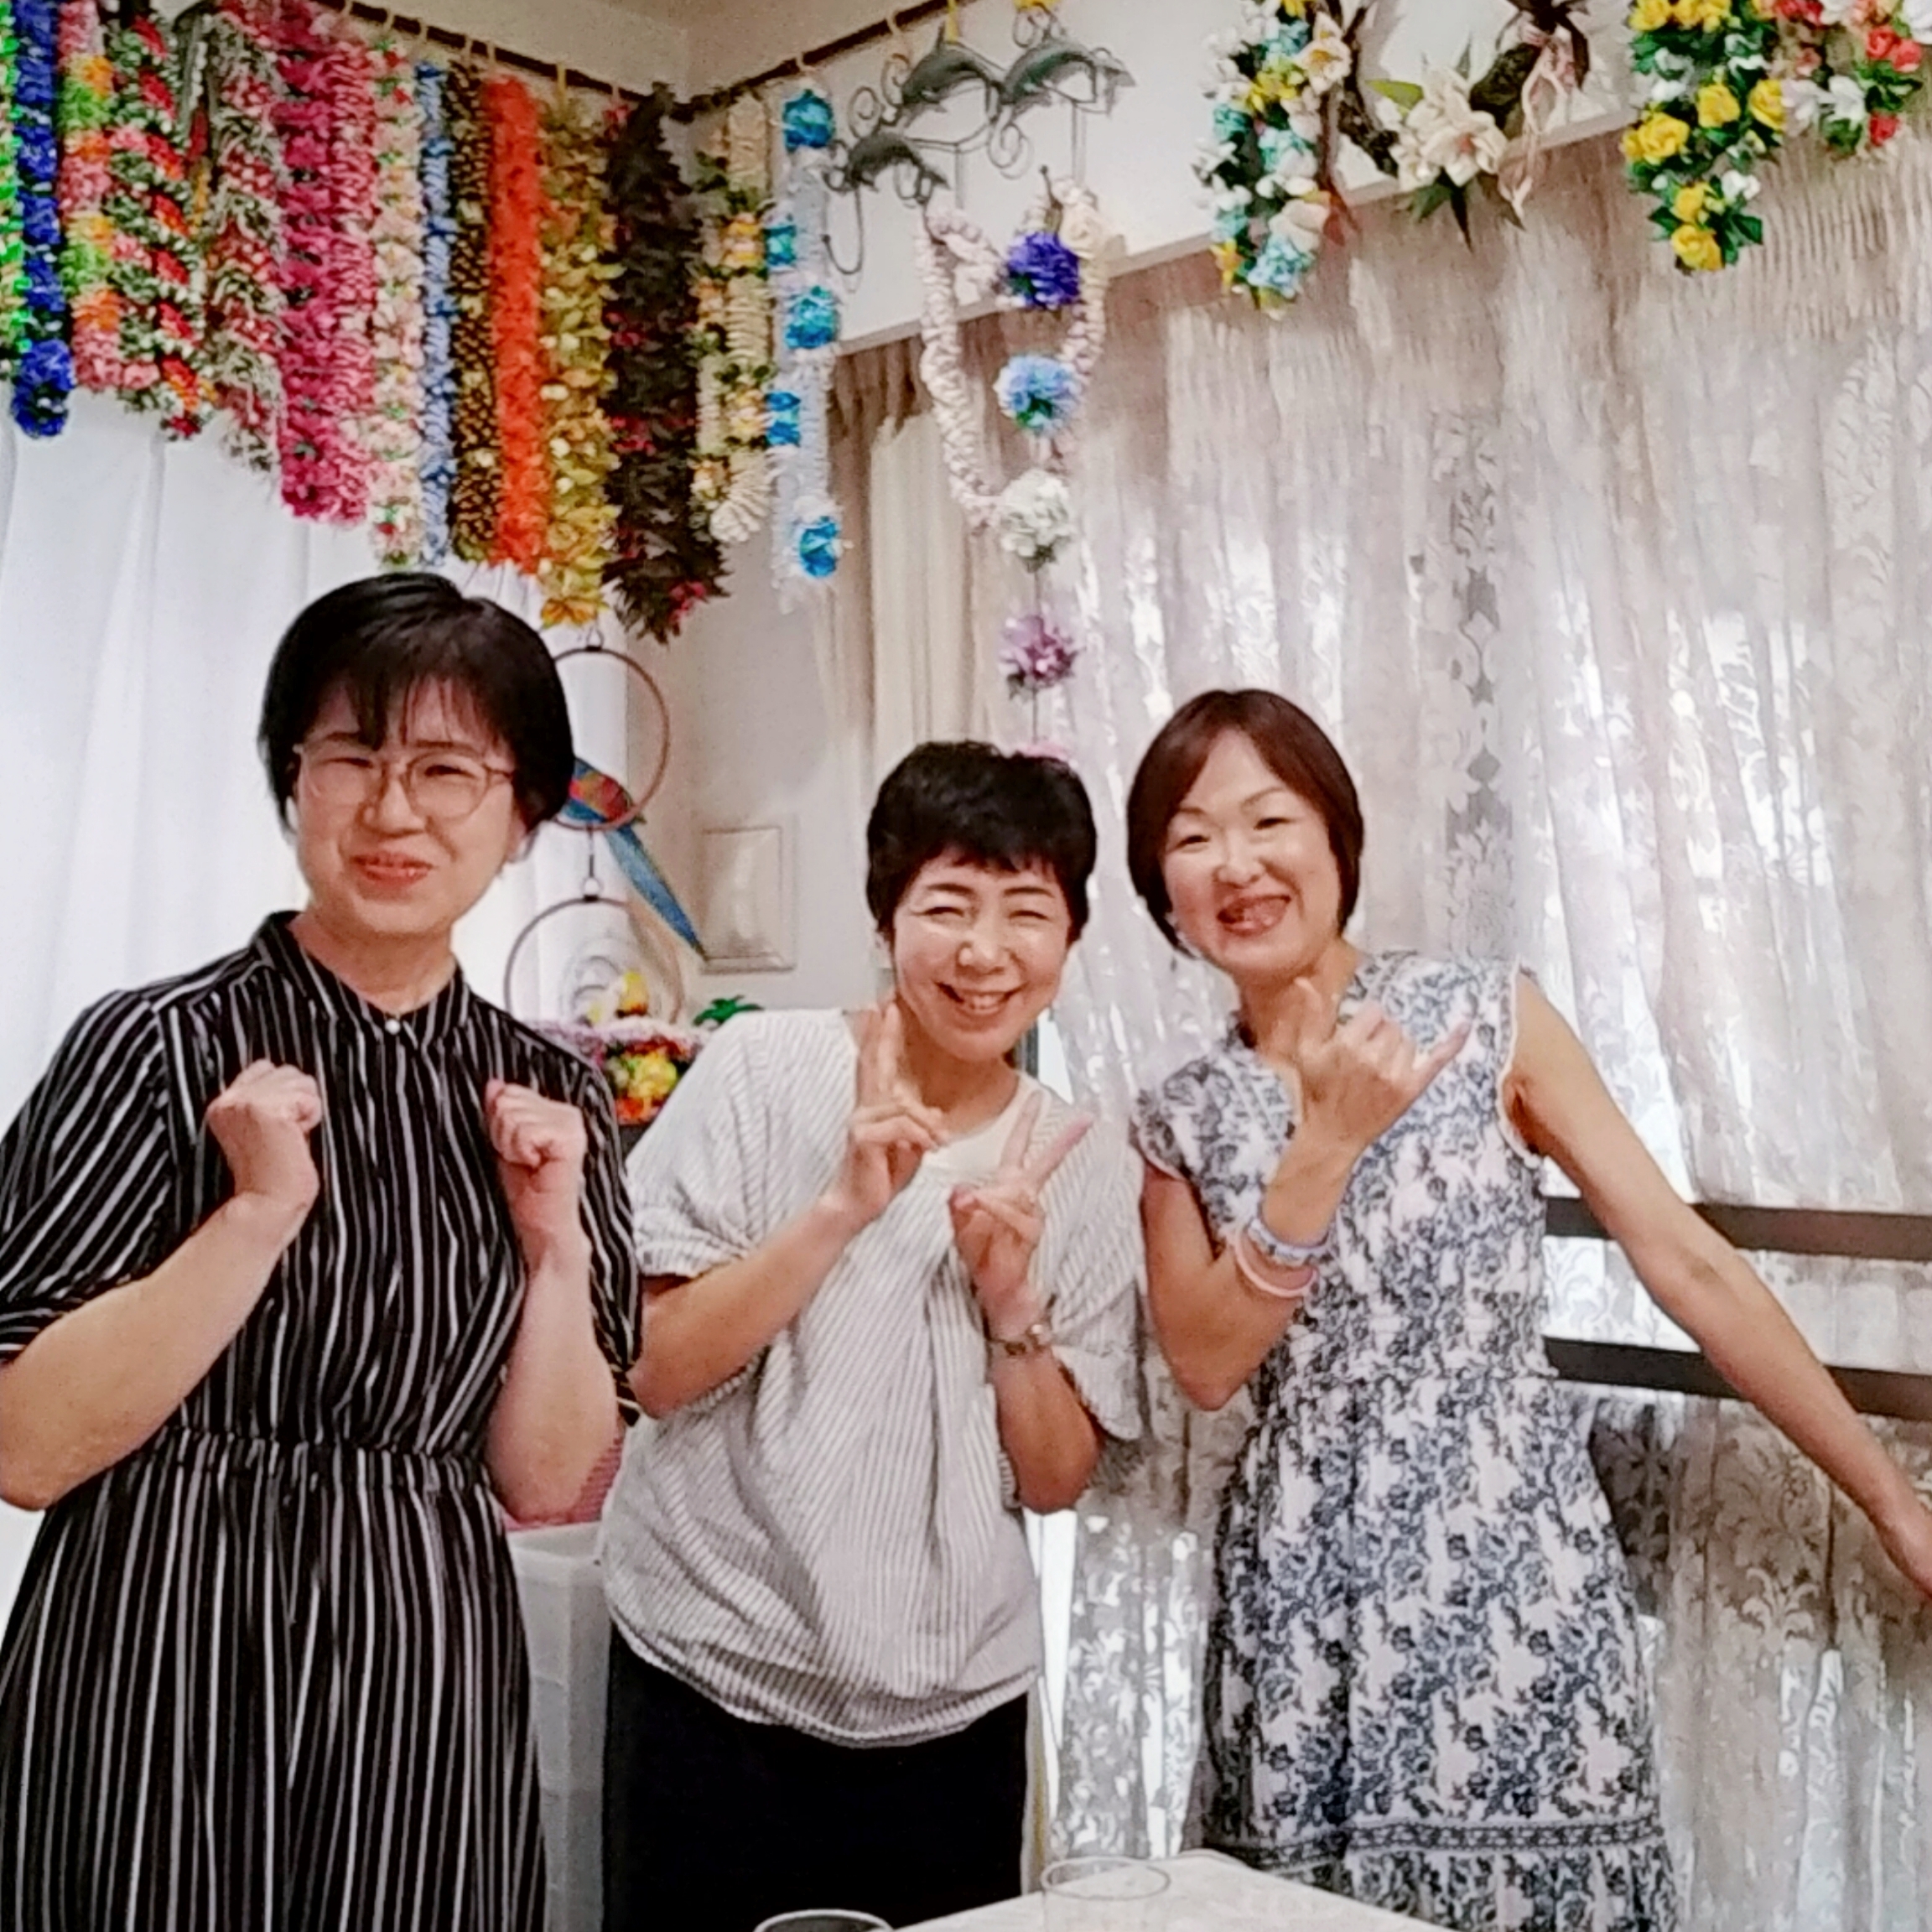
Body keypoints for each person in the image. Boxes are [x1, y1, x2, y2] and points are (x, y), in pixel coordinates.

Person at [1124, 688, 1932, 1932]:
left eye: (1268, 820)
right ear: (1161, 890)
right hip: (1299, 1595)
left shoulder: (1483, 1018)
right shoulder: (1181, 1115)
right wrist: (1322, 1150)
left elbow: (1689, 1265)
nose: (1236, 864)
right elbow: (1206, 1363)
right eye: (1192, 838)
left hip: (1511, 1562)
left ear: (1336, 836)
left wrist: (1888, 1499)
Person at [0, 574, 638, 1930]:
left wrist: (554, 1251)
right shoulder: (153, 1047)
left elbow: (548, 1483)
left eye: (447, 770)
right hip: (155, 1654)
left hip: (421, 1675)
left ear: (524, 812)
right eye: (351, 756)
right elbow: (27, 1446)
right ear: (293, 778)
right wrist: (253, 1217)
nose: (394, 811)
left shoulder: (554, 1099)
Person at [600, 742, 1143, 1932]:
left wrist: (1011, 1310)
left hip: (953, 1706)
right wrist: (840, 1209)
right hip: (713, 1670)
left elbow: (1056, 1481)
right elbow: (657, 1369)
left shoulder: (1087, 1162)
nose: (984, 952)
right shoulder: (762, 1070)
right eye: (947, 905)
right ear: (887, 917)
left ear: (1070, 938)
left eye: (1026, 912)